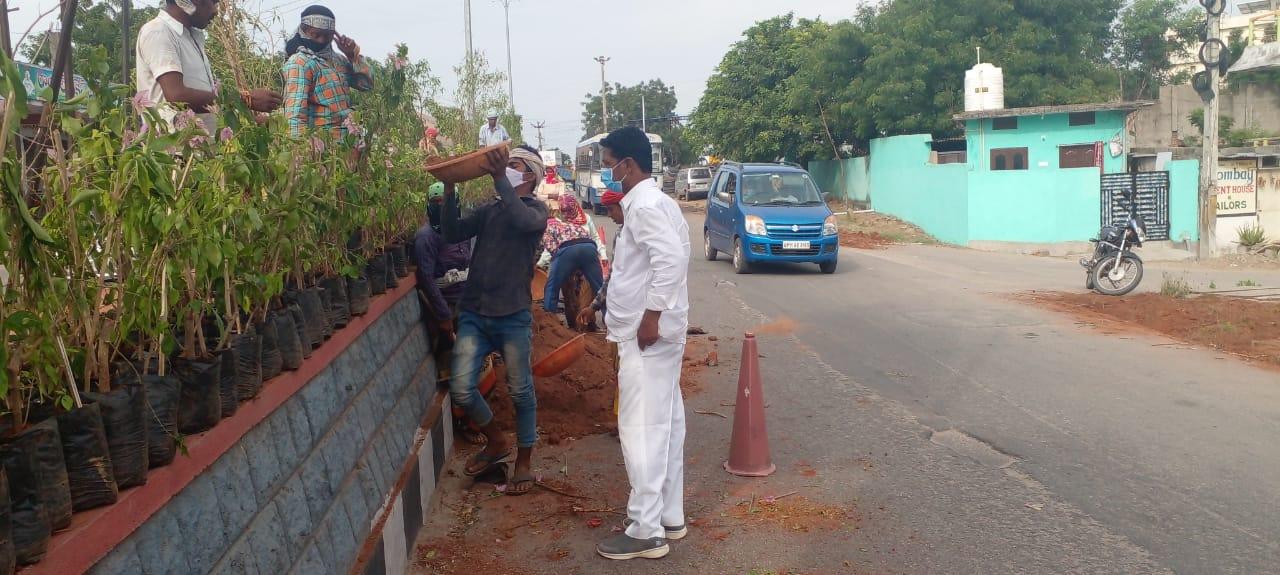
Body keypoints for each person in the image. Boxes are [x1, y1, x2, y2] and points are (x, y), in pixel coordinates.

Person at [594, 127, 691, 561]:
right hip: (657, 332)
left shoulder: (646, 206)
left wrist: (651, 315)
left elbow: (671, 259)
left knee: (642, 430)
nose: (606, 173)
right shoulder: (657, 203)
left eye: (608, 164)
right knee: (665, 424)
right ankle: (669, 515)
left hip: (647, 335)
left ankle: (646, 530)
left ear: (627, 165)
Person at [443, 144, 549, 496]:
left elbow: (521, 221)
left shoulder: (536, 211)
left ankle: (524, 462)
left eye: (514, 165)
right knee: (461, 388)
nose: (506, 169)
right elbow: (451, 233)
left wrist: (501, 177)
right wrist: (449, 188)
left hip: (512, 315)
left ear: (530, 176)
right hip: (475, 313)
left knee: (521, 391)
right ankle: (497, 441)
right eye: (507, 164)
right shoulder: (490, 209)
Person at [136, 0, 281, 131]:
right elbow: (176, 96)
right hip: (176, 149)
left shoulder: (191, 38)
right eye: (213, 2)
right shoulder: (159, 31)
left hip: (201, 147)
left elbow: (207, 104)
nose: (216, 11)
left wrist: (249, 122)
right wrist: (246, 99)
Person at [281, 5, 373, 138]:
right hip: (323, 144)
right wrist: (300, 148)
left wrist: (352, 55)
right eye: (316, 34)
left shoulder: (338, 60)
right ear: (304, 31)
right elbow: (294, 116)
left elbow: (366, 85)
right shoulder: (300, 62)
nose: (322, 40)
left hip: (348, 141)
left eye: (327, 36)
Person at [538, 196, 605, 324]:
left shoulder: (546, 226)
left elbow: (552, 250)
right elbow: (590, 238)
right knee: (599, 287)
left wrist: (540, 265)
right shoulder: (569, 222)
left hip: (568, 250)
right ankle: (610, 319)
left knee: (552, 287)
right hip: (589, 248)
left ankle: (549, 322)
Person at [576, 189, 625, 328]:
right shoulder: (620, 233)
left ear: (623, 207)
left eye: (611, 209)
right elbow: (613, 274)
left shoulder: (637, 232)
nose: (609, 215)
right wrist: (593, 306)